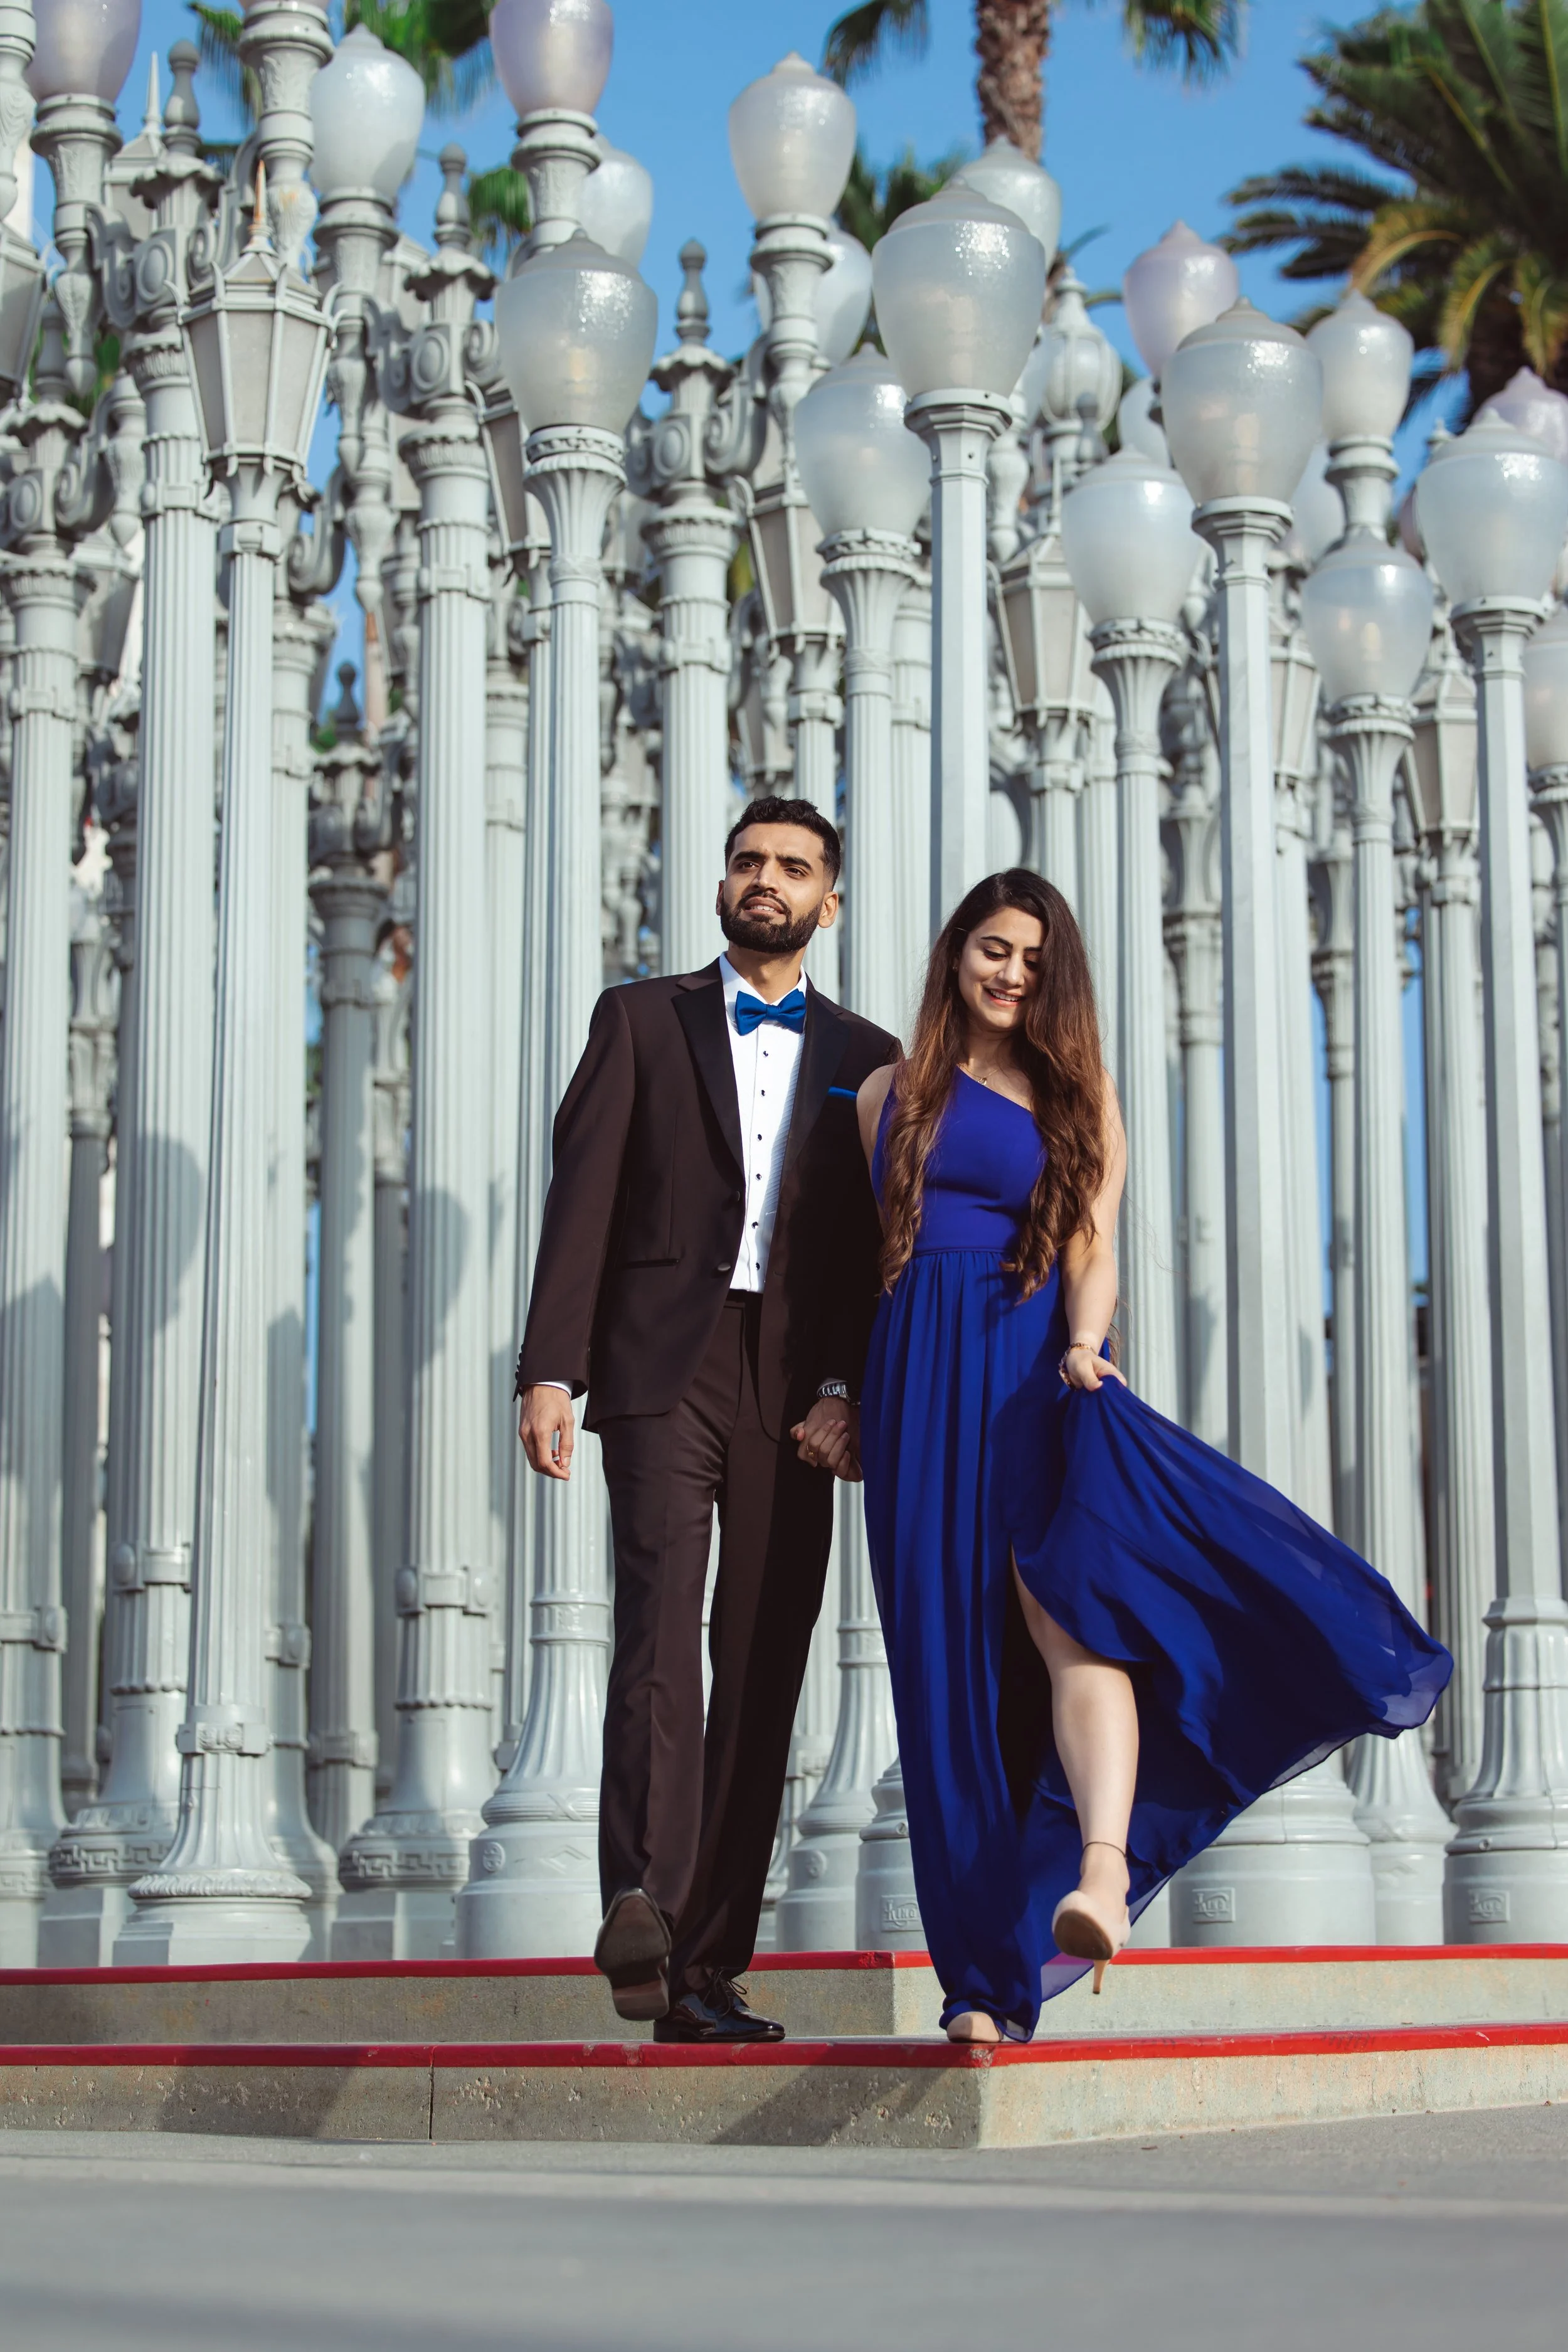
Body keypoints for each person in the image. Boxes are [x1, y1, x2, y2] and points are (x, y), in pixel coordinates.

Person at [841, 869, 1451, 2045]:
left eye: (1031, 956)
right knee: (944, 1681)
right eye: (991, 947)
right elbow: (876, 1256)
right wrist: (848, 1398)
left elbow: (1092, 1246)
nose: (1011, 971)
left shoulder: (1082, 1101)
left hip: (1040, 1373)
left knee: (1078, 1619)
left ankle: (1104, 1876)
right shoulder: (886, 1094)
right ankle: (980, 1983)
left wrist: (1082, 1341)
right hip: (918, 1384)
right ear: (955, 953)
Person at [516, 798, 898, 2042]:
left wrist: (848, 1391)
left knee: (762, 1667)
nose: (764, 881)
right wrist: (549, 1371)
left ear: (825, 903)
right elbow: (585, 1196)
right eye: (747, 862)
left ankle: (705, 1965)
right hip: (659, 1368)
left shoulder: (871, 1055)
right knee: (656, 1635)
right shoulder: (637, 1020)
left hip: (794, 1390)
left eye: (791, 869)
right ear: (722, 883)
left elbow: (871, 1259)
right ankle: (639, 1897)